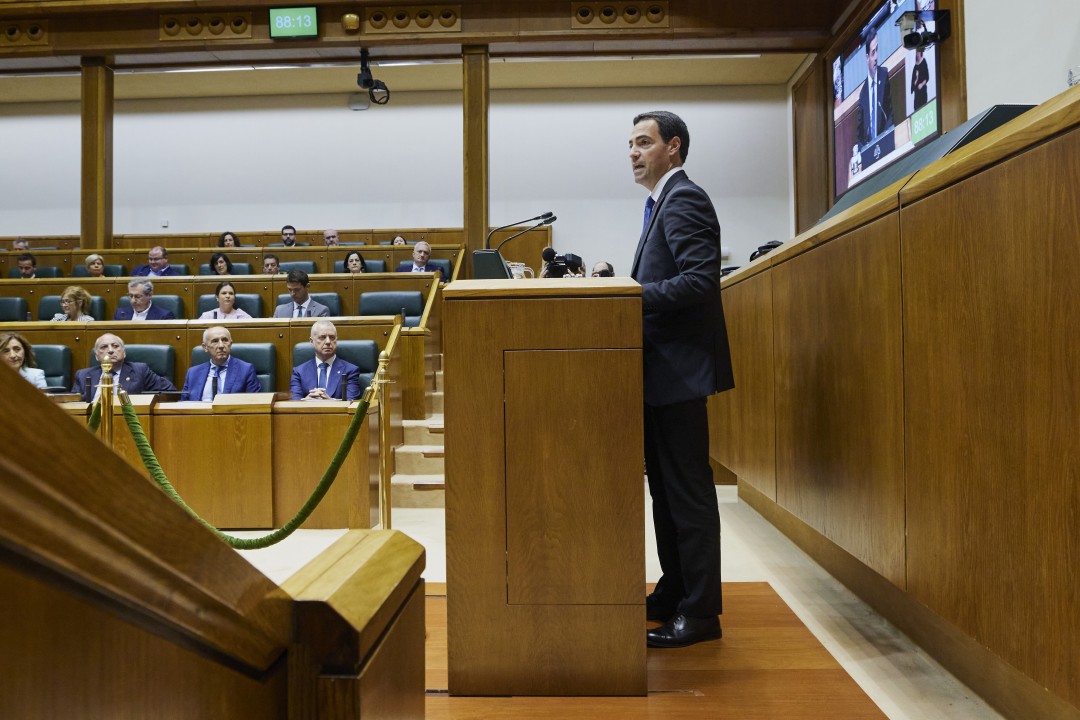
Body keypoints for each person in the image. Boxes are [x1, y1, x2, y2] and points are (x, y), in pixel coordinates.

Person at [628, 110, 734, 649]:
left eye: (643, 142)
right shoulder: (660, 203)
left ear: (673, 147)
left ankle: (701, 611)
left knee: (688, 494)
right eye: (630, 144)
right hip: (658, 375)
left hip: (679, 374)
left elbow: (699, 280)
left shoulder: (685, 197)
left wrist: (629, 295)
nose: (633, 152)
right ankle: (675, 590)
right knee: (666, 494)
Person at [71, 332, 176, 402]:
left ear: (124, 353)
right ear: (97, 356)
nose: (110, 350)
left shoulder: (140, 371)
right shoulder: (83, 375)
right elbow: (73, 403)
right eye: (104, 347)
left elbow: (171, 392)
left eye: (115, 346)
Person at [180, 326, 262, 401]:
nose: (221, 345)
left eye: (225, 340)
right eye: (215, 341)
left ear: (231, 344)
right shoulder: (193, 373)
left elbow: (254, 403)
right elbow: (183, 405)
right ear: (205, 347)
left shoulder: (245, 370)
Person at [290, 320, 362, 401]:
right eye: (322, 337)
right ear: (312, 341)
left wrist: (330, 402)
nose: (328, 342)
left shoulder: (350, 370)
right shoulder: (299, 372)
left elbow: (352, 402)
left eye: (332, 337)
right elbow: (294, 402)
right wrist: (306, 401)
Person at [857, 32, 893, 147]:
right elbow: (859, 135)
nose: (876, 57)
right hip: (869, 149)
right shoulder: (863, 94)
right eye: (873, 53)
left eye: (877, 50)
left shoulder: (884, 75)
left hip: (885, 143)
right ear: (867, 57)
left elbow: (890, 114)